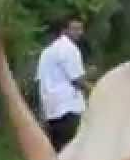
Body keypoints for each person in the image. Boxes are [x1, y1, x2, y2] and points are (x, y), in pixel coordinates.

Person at [35, 14, 90, 151]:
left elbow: (41, 80)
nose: (79, 33)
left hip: (51, 109)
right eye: (75, 29)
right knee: (71, 149)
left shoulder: (47, 52)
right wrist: (97, 90)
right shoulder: (70, 49)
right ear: (64, 30)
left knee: (57, 150)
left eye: (80, 29)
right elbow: (77, 80)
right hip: (68, 108)